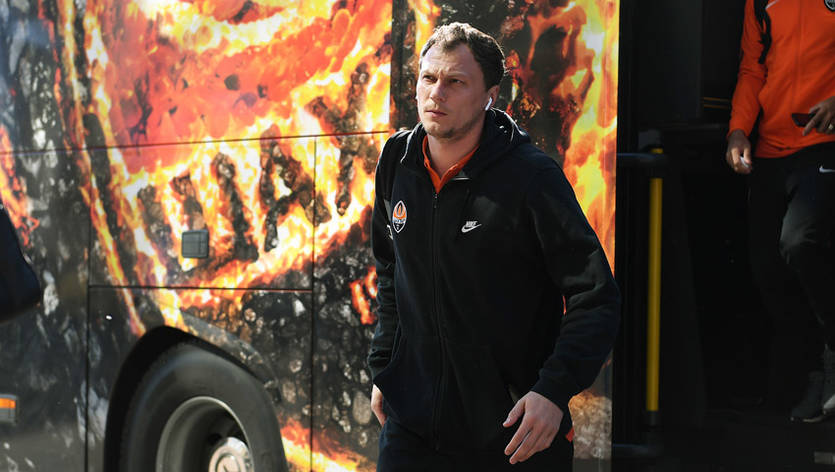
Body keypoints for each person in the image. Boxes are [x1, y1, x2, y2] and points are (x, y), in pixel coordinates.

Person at [366, 22, 620, 470]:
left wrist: (552, 392)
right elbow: (391, 270)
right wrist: (387, 365)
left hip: (512, 433)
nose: (436, 93)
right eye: (428, 78)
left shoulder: (531, 178)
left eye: (455, 82)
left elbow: (595, 295)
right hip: (413, 431)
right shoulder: (396, 162)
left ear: (490, 96)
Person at [724, 0, 835, 422]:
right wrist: (738, 130)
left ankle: (831, 355)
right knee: (766, 266)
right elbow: (753, 69)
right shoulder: (759, 2)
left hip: (825, 143)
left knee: (801, 241)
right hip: (771, 149)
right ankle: (811, 371)